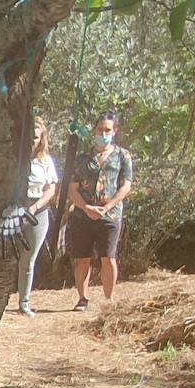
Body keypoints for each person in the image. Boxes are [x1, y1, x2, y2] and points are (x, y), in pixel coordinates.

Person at [67, 111, 133, 311]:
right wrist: (86, 207)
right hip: (82, 215)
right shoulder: (82, 158)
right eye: (99, 130)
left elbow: (126, 186)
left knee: (108, 257)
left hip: (110, 216)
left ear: (114, 131)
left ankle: (108, 300)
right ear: (93, 130)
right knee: (82, 258)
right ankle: (82, 299)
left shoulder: (123, 156)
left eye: (107, 130)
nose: (103, 133)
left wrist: (107, 207)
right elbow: (72, 189)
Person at [16, 117, 59, 317]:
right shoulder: (15, 159)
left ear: (41, 137)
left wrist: (35, 207)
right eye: (29, 137)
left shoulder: (46, 161)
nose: (32, 141)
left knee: (28, 259)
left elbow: (51, 189)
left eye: (35, 137)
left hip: (38, 213)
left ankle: (24, 302)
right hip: (14, 211)